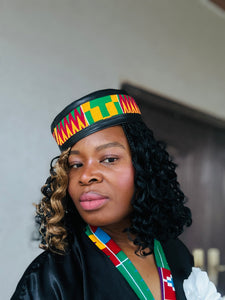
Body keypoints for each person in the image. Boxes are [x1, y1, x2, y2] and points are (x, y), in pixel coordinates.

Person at [11, 89, 193, 300]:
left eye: (109, 159)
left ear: (144, 166)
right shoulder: (50, 276)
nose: (86, 176)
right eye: (75, 165)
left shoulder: (177, 254)